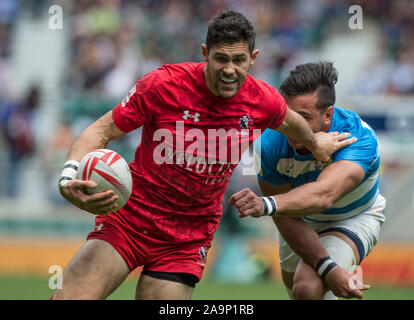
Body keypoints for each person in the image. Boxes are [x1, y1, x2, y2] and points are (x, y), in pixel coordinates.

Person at [54, 11, 355, 300]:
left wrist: (315, 143)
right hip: (130, 221)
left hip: (187, 240)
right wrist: (68, 177)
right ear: (204, 53)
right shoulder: (163, 85)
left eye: (239, 60)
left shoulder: (263, 100)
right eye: (220, 58)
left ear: (253, 58)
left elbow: (292, 122)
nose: (229, 69)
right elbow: (100, 130)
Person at [229, 61, 386, 300]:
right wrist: (329, 268)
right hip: (297, 217)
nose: (294, 127)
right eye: (289, 117)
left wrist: (266, 204)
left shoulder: (358, 137)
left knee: (307, 288)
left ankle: (345, 262)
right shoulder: (269, 142)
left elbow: (324, 196)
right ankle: (344, 270)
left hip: (352, 217)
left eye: (303, 117)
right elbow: (286, 214)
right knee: (301, 294)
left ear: (328, 115)